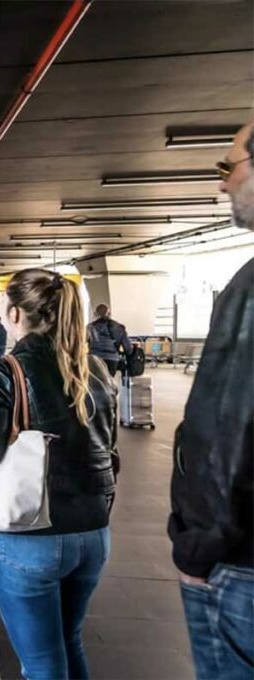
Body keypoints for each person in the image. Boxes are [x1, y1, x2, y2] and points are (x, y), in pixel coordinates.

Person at [0, 269, 119, 680]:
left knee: (42, 664)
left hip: (30, 540)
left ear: (12, 312)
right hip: (93, 534)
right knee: (69, 640)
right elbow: (110, 451)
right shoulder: (93, 368)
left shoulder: (5, 371)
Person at [169, 121, 253, 680]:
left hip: (242, 568)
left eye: (229, 168)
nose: (221, 186)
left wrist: (196, 549)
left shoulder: (249, 289)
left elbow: (228, 428)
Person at [87, 304, 130, 378]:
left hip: (94, 359)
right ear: (109, 313)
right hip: (112, 359)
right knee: (109, 381)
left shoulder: (90, 327)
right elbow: (128, 348)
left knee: (95, 382)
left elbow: (80, 342)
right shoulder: (118, 327)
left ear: (95, 314)